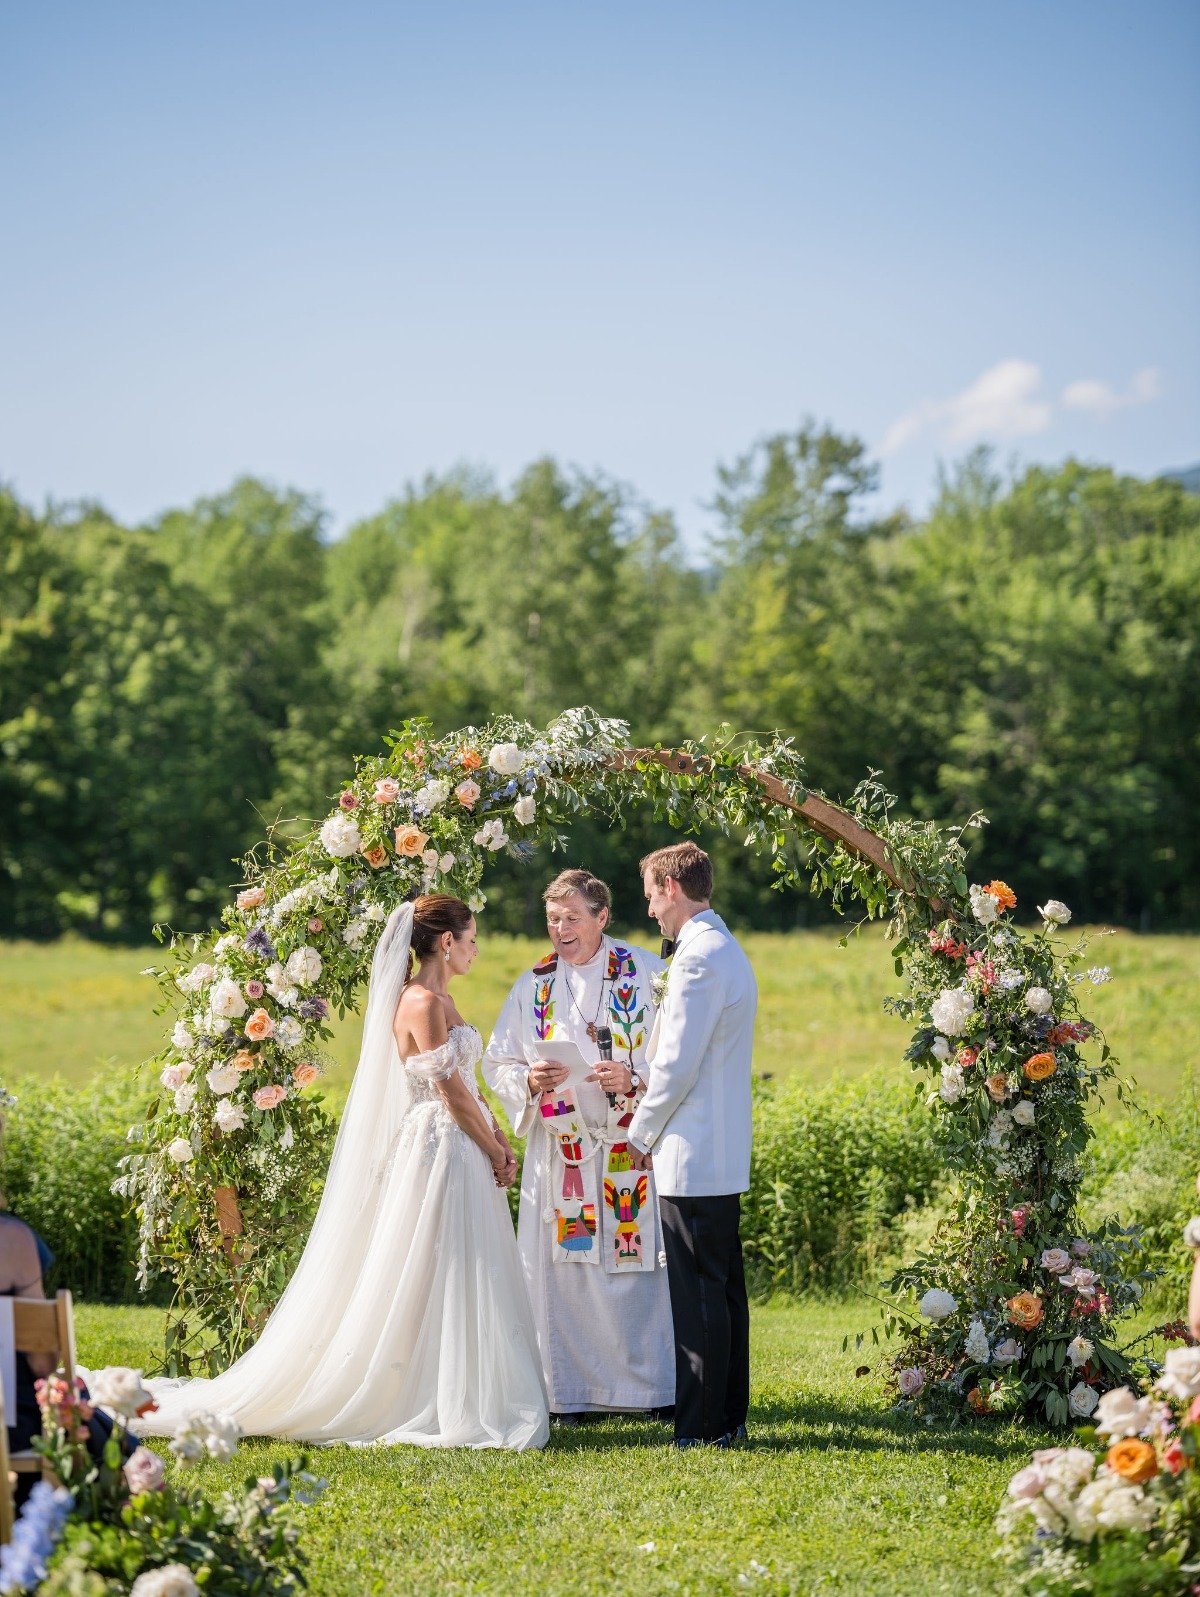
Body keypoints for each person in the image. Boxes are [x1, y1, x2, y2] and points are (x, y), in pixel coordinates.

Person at [141, 896, 549, 1452]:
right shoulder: (421, 1001)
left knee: (458, 1264)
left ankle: (456, 1382)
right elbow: (449, 1092)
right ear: (447, 941)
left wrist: (498, 1135)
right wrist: (494, 1148)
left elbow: (467, 1084)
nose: (477, 948)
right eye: (472, 937)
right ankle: (425, 1392)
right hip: (439, 1144)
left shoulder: (443, 998)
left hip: (463, 1143)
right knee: (437, 1262)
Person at [484, 869, 674, 1420]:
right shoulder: (534, 984)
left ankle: (647, 1391)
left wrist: (634, 1078)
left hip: (626, 1146)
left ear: (602, 917)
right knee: (567, 1274)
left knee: (630, 1269)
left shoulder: (646, 974)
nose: (560, 930)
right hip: (563, 1149)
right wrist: (528, 1080)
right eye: (552, 919)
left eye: (571, 918)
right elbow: (499, 1058)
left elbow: (680, 1054)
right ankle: (570, 1393)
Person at [627, 842, 757, 1450]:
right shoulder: (721, 947)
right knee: (723, 1290)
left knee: (700, 1293)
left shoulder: (700, 958)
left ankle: (703, 1428)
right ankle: (727, 1417)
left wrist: (640, 1130)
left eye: (652, 894)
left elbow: (676, 1064)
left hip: (692, 1150)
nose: (650, 908)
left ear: (672, 889)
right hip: (716, 1151)